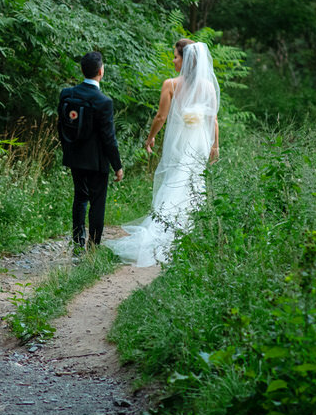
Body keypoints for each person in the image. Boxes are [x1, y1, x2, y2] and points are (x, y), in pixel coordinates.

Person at [107, 39, 219, 268]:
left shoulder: (171, 84)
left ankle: (163, 232)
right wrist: (214, 146)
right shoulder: (208, 87)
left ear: (185, 60)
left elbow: (161, 117)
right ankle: (188, 233)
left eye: (176, 57)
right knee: (192, 183)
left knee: (175, 181)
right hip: (199, 143)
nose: (173, 60)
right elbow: (213, 119)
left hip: (180, 142)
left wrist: (150, 138)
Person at [58, 51, 124, 252]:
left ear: (82, 70)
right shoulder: (103, 101)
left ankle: (78, 242)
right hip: (96, 162)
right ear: (101, 71)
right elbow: (108, 138)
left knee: (79, 198)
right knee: (97, 203)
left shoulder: (67, 94)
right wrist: (117, 166)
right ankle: (93, 248)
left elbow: (61, 125)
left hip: (75, 157)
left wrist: (67, 149)